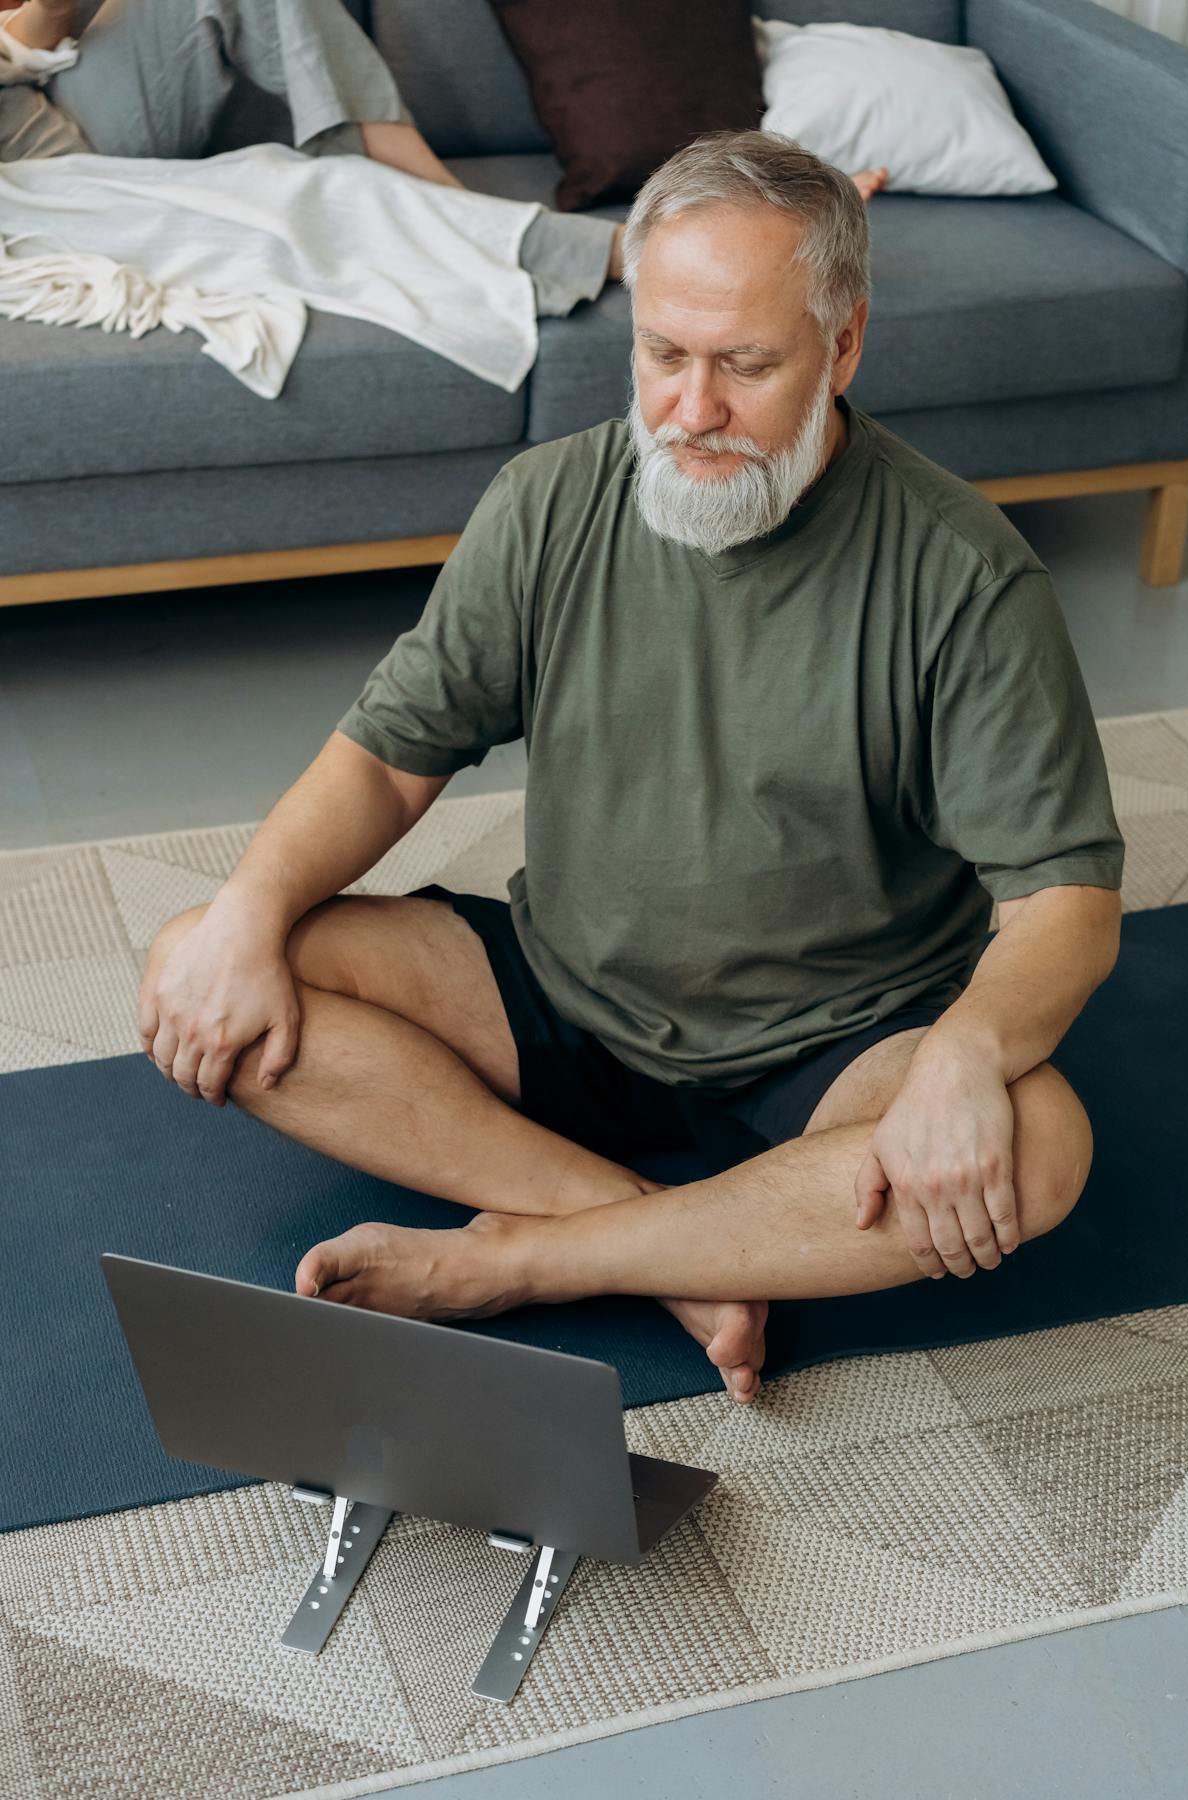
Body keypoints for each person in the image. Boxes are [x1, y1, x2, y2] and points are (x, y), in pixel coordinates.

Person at [139, 130, 1122, 1407]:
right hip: (563, 992)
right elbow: (389, 764)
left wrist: (966, 1051)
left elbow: (1067, 905)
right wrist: (250, 913)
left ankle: (533, 1261)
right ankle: (665, 1236)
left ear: (845, 346)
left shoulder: (964, 574)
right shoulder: (549, 502)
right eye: (663, 355)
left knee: (1038, 1148)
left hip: (841, 1040)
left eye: (746, 365)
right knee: (203, 962)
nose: (691, 409)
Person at [0, 2, 888, 316]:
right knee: (325, 192)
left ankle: (420, 182)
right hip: (43, 178)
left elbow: (33, 48)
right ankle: (464, 209)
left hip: (58, 104)